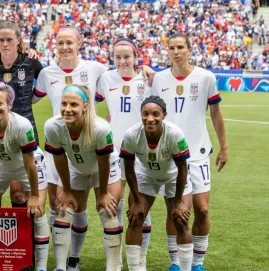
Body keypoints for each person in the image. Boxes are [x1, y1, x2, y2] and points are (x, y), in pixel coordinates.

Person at [32, 25, 108, 270]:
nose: (64, 47)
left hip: (83, 146)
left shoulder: (95, 69)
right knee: (56, 202)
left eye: (69, 43)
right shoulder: (47, 73)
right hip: (57, 143)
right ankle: (61, 259)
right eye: (60, 43)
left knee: (78, 202)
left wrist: (146, 71)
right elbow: (28, 97)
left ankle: (74, 256)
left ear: (79, 44)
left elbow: (120, 84)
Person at [152, 33, 228, 271]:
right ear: (168, 51)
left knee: (202, 210)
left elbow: (215, 113)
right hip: (170, 156)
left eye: (181, 47)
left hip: (198, 152)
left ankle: (197, 263)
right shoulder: (158, 79)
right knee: (175, 211)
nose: (176, 52)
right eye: (172, 47)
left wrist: (223, 147)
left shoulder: (206, 77)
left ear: (189, 50)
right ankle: (175, 262)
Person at [0, 82, 49, 271]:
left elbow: (29, 162)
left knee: (36, 208)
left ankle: (40, 265)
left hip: (26, 165)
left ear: (9, 105)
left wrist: (36, 196)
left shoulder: (22, 125)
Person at [44, 84, 122, 271]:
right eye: (64, 104)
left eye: (73, 104)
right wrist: (68, 190)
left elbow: (103, 163)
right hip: (76, 166)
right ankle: (62, 267)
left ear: (85, 107)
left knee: (108, 210)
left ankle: (112, 267)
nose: (67, 109)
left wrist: (102, 193)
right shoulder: (52, 126)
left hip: (105, 167)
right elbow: (60, 159)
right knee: (64, 207)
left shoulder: (100, 128)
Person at [0, 20, 43, 226]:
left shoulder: (30, 62)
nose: (5, 43)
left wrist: (34, 98)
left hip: (24, 129)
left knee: (20, 192)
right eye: (1, 39)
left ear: (18, 41)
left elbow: (50, 82)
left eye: (9, 39)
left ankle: (20, 242)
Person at [96, 38, 152, 270]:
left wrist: (149, 68)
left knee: (141, 206)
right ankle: (116, 260)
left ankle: (140, 258)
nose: (122, 61)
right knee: (114, 206)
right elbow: (89, 100)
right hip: (114, 151)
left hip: (142, 153)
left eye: (127, 56)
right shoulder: (106, 78)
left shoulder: (148, 79)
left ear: (135, 56)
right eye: (117, 57)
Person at [120, 96, 193, 271]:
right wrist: (137, 201)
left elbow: (182, 168)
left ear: (164, 115)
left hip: (174, 177)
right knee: (135, 218)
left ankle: (185, 268)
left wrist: (177, 202)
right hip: (146, 176)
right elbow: (128, 168)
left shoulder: (174, 133)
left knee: (180, 219)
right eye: (145, 114)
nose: (150, 118)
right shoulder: (131, 134)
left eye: (155, 114)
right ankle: (135, 268)